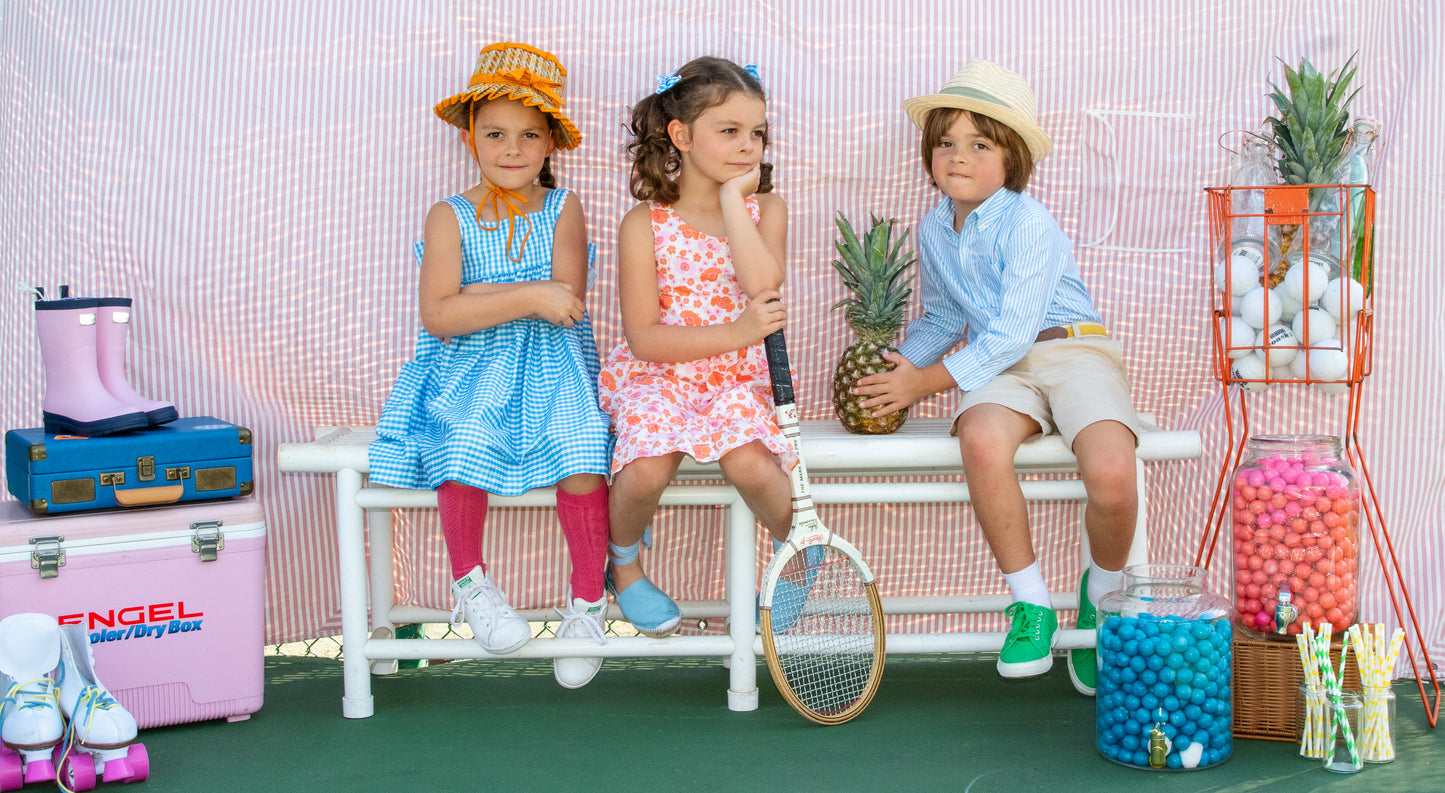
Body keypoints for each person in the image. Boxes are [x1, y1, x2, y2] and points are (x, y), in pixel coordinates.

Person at [855, 58, 1144, 696]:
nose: (958, 157)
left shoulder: (1029, 222)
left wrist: (924, 385)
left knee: (1113, 475)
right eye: (945, 143)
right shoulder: (935, 228)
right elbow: (945, 316)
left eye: (978, 144)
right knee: (980, 439)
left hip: (1072, 351)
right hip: (999, 365)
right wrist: (897, 366)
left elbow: (1015, 330)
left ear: (1010, 158)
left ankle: (1101, 596)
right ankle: (1031, 603)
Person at [368, 42, 612, 689]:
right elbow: (440, 317)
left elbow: (568, 304)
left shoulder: (564, 209)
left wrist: (478, 297)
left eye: (529, 134)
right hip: (469, 372)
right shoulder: (447, 214)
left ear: (550, 143)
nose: (511, 148)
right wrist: (529, 293)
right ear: (471, 136)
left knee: (584, 445)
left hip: (555, 370)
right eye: (496, 133)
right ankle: (472, 584)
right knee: (464, 439)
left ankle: (587, 603)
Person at [597, 57, 795, 637]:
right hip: (661, 374)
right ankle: (625, 562)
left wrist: (736, 201)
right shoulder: (645, 223)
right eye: (729, 131)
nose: (748, 146)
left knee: (752, 466)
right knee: (646, 467)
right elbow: (645, 338)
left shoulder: (768, 210)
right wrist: (736, 332)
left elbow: (762, 285)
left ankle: (800, 559)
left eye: (756, 132)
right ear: (680, 136)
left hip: (738, 380)